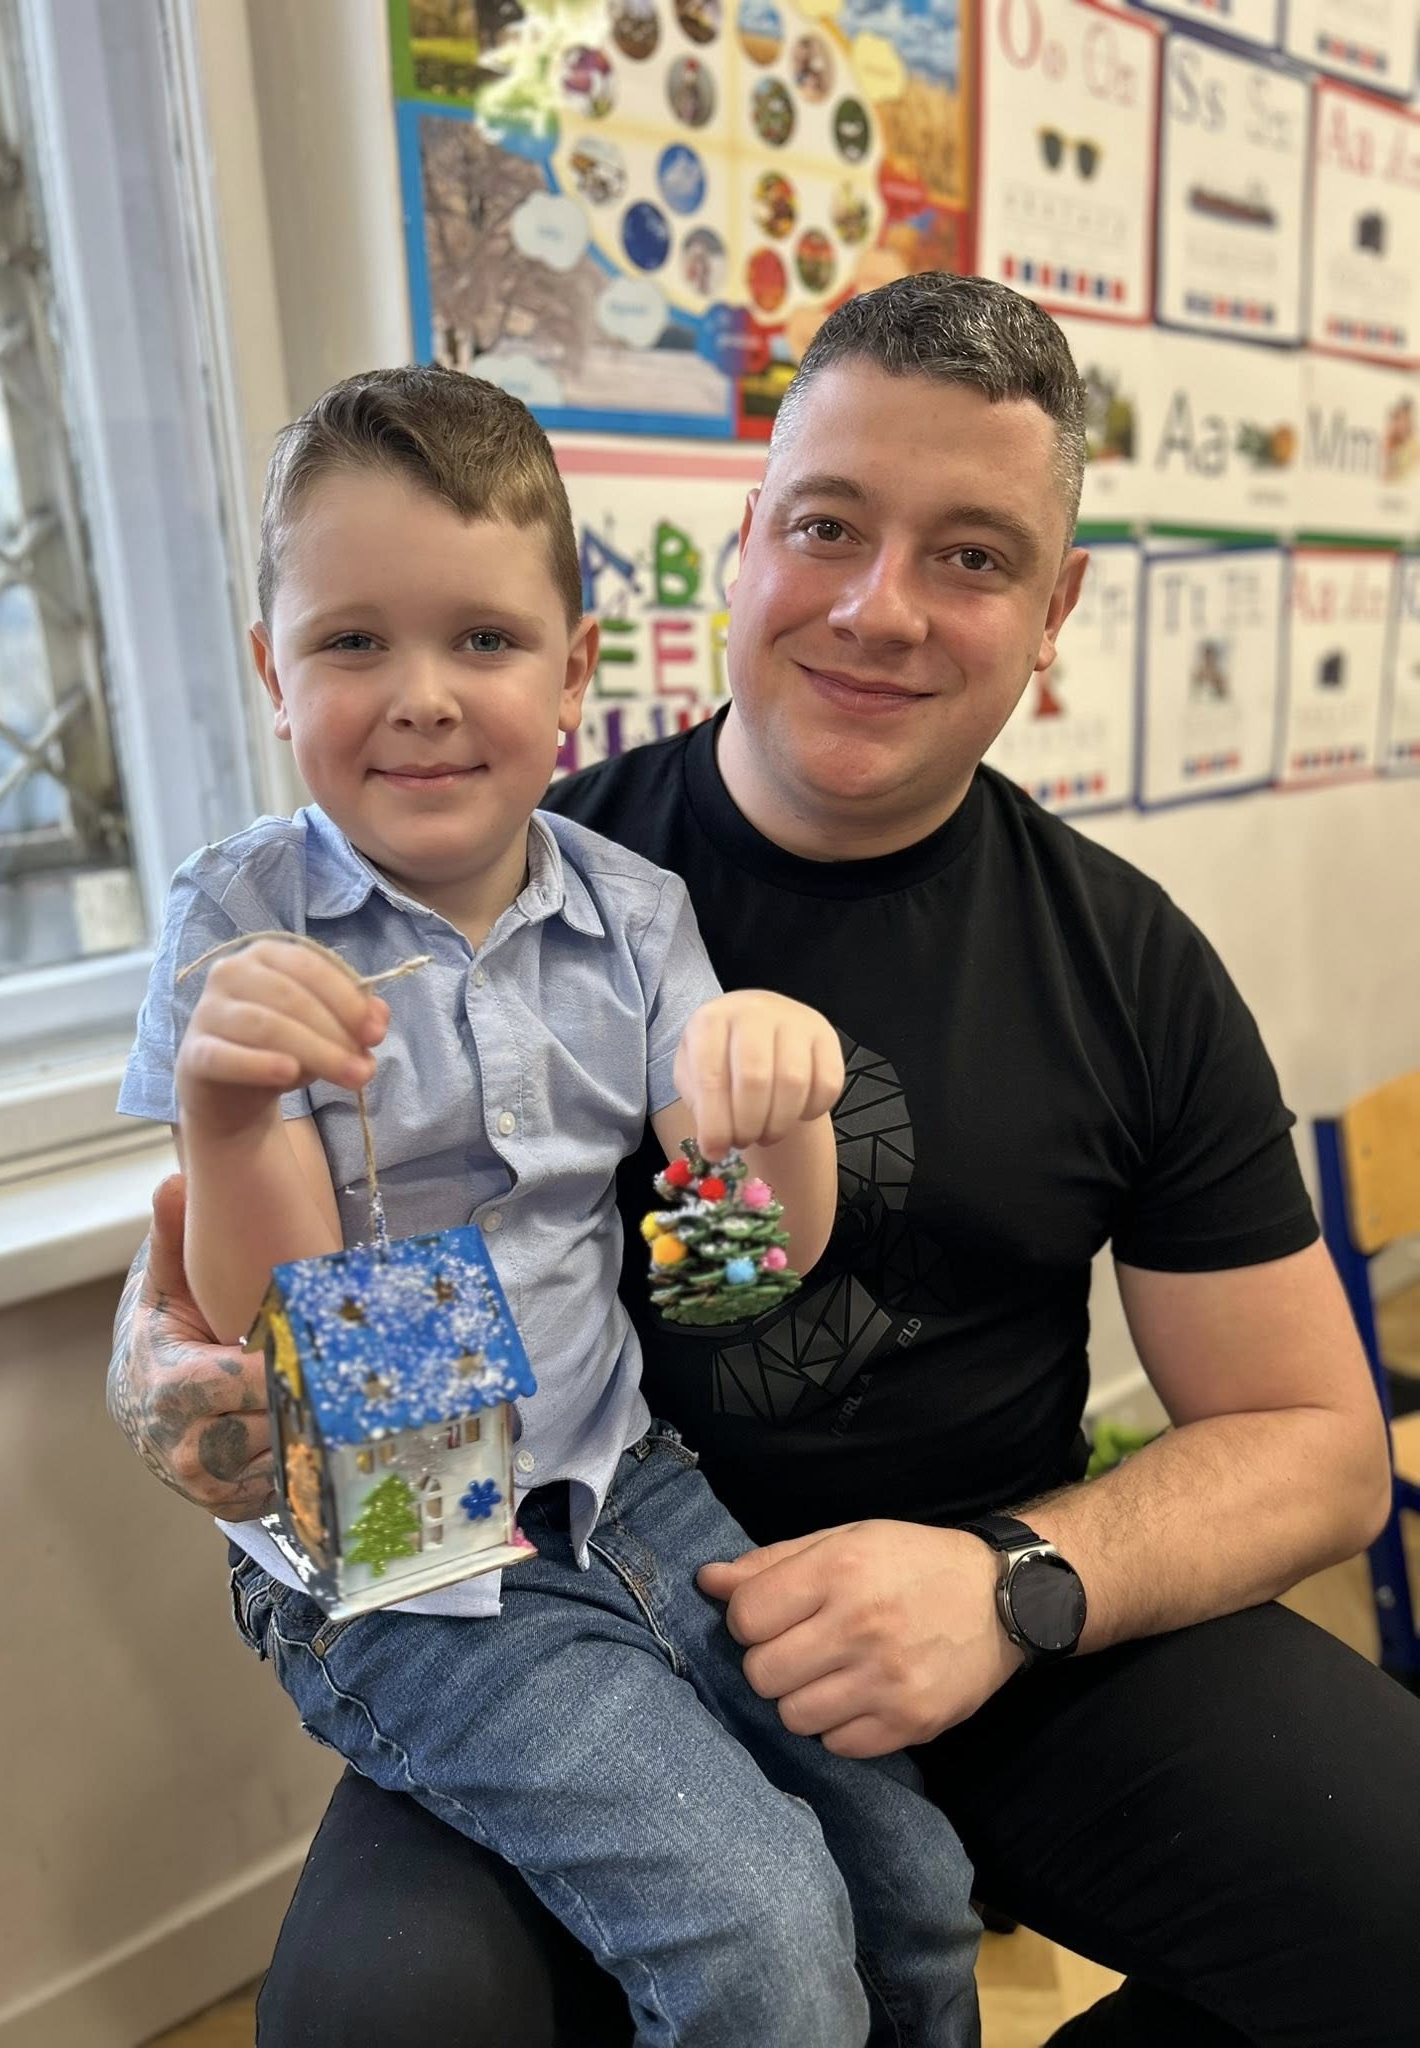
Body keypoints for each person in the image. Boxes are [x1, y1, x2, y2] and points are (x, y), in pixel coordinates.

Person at [109, 276, 1420, 2047]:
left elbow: (1318, 1447)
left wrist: (1012, 1585)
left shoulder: (1105, 960)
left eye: (972, 554)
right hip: (514, 1570)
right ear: (748, 544)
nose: (880, 607)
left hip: (979, 1616)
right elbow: (263, 1314)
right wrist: (195, 1360)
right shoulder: (484, 860)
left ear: (1055, 612)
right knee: (399, 2010)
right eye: (829, 526)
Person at [116, 361, 983, 2048]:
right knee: (761, 1935)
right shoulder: (237, 920)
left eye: (484, 640)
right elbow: (269, 1318)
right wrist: (226, 1113)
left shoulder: (635, 916)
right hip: (388, 1548)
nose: (423, 697)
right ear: (272, 675)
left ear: (573, 671)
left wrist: (783, 1108)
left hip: (624, 1479)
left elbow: (741, 1266)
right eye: (352, 642)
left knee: (914, 1881)